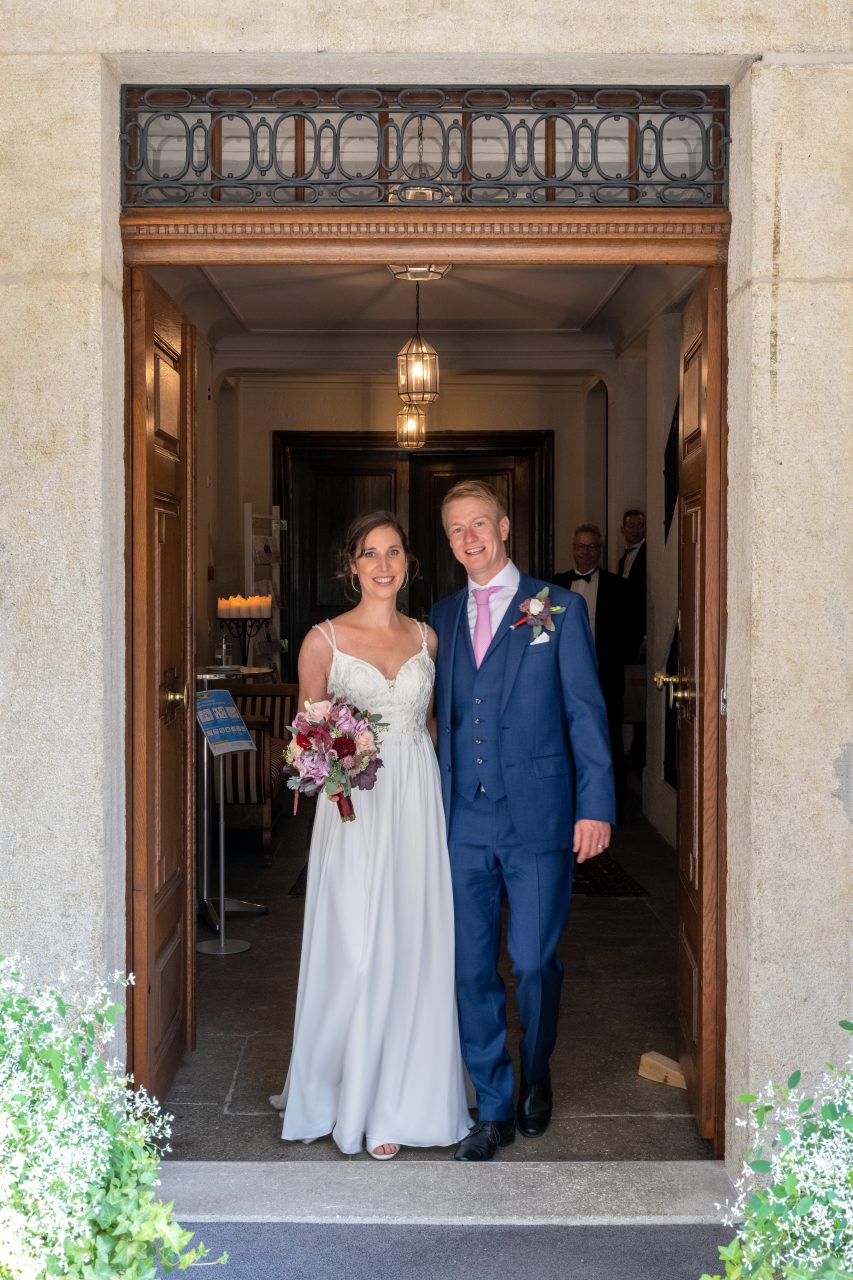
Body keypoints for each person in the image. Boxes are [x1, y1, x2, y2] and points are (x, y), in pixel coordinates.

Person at [270, 511, 470, 1160]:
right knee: (356, 949)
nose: (383, 565)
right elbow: (307, 735)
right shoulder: (322, 641)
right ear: (350, 565)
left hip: (415, 801)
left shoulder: (429, 639)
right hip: (353, 808)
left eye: (393, 552)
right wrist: (332, 770)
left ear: (408, 562)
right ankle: (345, 1092)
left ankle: (399, 1103)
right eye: (369, 554)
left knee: (412, 945)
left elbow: (434, 726)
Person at [429, 481, 615, 1162]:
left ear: (504, 527)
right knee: (470, 967)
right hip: (462, 819)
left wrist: (595, 805)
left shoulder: (556, 608)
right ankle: (493, 1104)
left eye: (479, 524)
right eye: (456, 529)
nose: (469, 538)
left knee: (534, 963)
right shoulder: (440, 617)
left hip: (538, 816)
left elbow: (584, 712)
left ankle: (536, 1071)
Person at [553, 523, 627, 812]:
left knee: (608, 734)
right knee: (564, 734)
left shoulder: (617, 586)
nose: (586, 552)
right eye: (581, 546)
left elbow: (629, 630)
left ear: (600, 550)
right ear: (573, 549)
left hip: (604, 672)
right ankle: (568, 800)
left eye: (592, 547)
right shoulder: (555, 584)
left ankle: (614, 803)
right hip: (563, 674)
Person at [618, 509, 647, 767]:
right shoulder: (623, 559)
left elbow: (648, 597)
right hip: (626, 633)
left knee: (640, 691)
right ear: (623, 529)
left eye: (640, 526)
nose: (636, 530)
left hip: (640, 632)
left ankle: (640, 748)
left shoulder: (647, 555)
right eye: (631, 526)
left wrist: (647, 634)